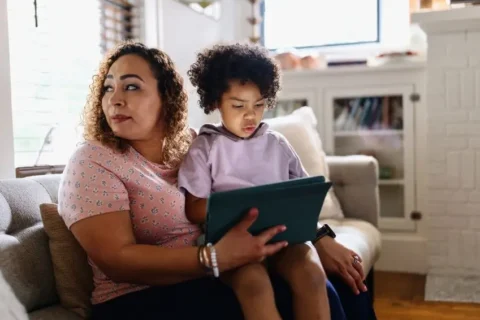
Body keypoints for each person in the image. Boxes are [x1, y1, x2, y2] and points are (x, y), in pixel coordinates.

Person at [57, 41, 376, 320]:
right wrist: (214, 257)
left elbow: (276, 197)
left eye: (131, 86)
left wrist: (321, 238)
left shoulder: (194, 144)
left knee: (347, 284)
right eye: (108, 87)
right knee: (302, 296)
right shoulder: (93, 160)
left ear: (167, 98)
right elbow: (117, 261)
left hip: (218, 272)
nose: (114, 99)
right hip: (141, 297)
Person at [178, 43, 331, 320]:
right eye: (238, 106)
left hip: (284, 238)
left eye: (259, 105)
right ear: (215, 102)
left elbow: (305, 194)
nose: (250, 115)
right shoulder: (205, 147)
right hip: (233, 244)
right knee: (255, 286)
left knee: (312, 275)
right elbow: (193, 208)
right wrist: (242, 207)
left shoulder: (277, 143)